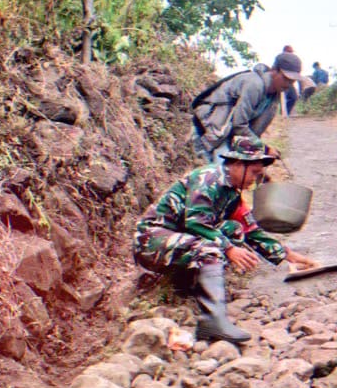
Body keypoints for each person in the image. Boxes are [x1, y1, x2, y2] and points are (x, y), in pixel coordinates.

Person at [133, 137, 317, 343]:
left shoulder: (232, 193)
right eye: (255, 173)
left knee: (234, 229)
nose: (255, 180)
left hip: (181, 238)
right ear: (238, 164)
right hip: (152, 239)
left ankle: (195, 288)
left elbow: (250, 231)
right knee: (210, 249)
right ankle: (213, 321)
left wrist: (287, 255)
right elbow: (196, 223)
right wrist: (229, 249)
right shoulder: (209, 178)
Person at [191, 52, 310, 162]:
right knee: (222, 176)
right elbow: (239, 125)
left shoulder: (274, 95)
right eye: (286, 79)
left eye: (292, 81)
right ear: (274, 70)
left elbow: (253, 131)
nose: (288, 85)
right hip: (207, 132)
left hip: (227, 137)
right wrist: (265, 149)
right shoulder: (254, 84)